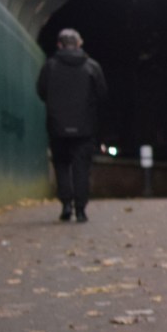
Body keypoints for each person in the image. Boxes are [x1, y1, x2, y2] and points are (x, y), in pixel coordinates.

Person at [36, 28, 108, 222]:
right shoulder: (92, 67)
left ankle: (66, 205)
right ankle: (81, 210)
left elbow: (41, 91)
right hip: (85, 126)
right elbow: (101, 94)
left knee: (61, 165)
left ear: (59, 45)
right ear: (79, 44)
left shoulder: (50, 67)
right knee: (81, 167)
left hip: (57, 125)